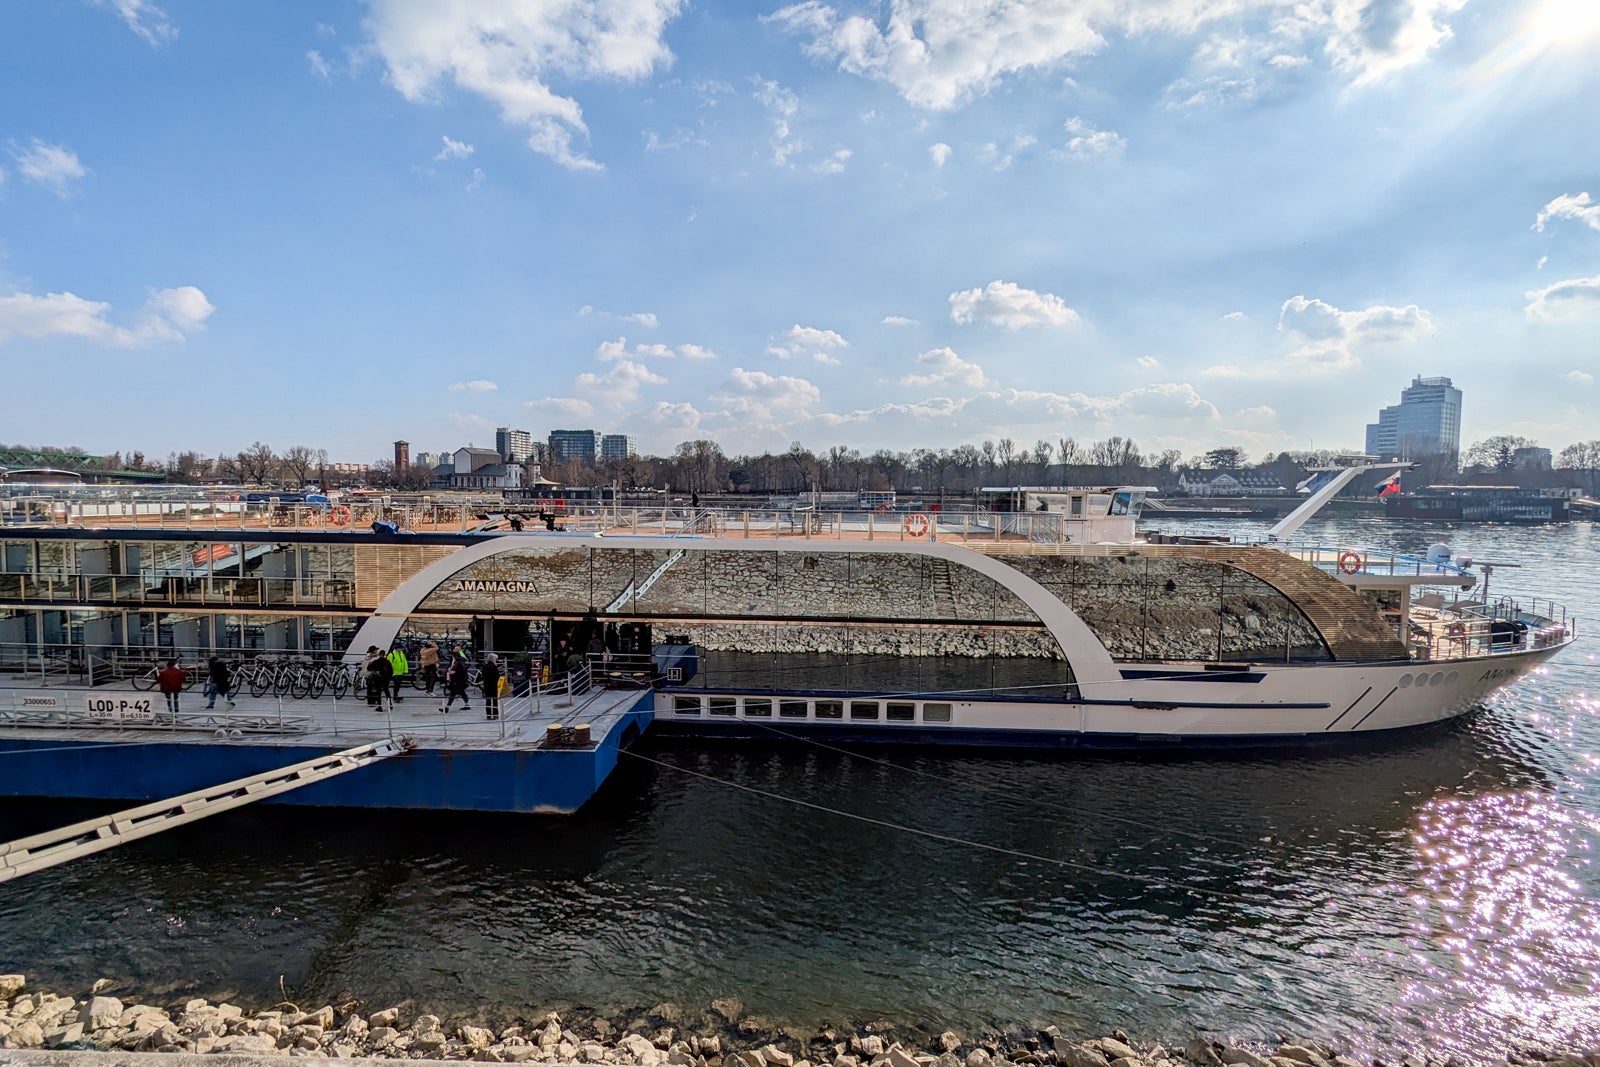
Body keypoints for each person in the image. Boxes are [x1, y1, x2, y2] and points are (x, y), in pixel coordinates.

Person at [441, 646, 471, 713]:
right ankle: (466, 705)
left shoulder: (458, 662)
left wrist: (454, 672)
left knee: (453, 694)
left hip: (458, 681)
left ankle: (447, 708)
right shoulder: (460, 661)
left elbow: (460, 670)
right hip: (460, 681)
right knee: (461, 693)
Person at [481, 653, 502, 721]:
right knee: (495, 700)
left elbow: (483, 675)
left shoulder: (484, 666)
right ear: (493, 659)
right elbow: (497, 677)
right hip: (493, 685)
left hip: (486, 685)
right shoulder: (494, 667)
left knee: (488, 700)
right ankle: (495, 715)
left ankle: (488, 715)